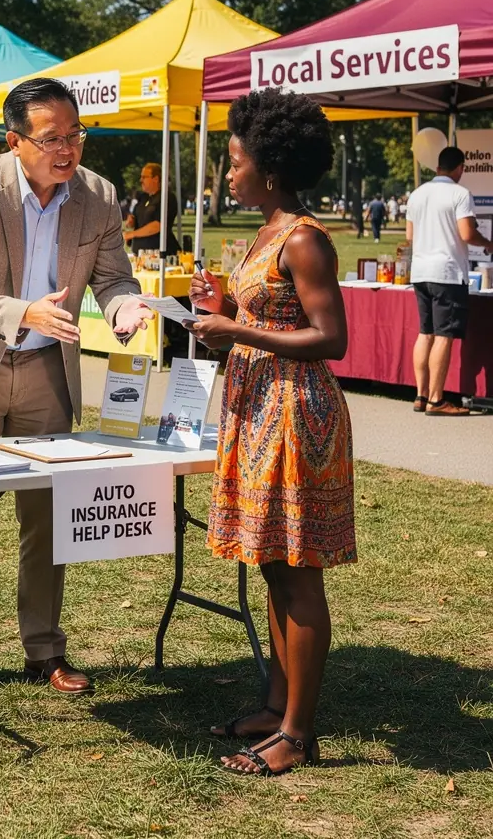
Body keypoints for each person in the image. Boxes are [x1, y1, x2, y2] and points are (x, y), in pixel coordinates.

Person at [0, 77, 155, 705]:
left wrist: (124, 307)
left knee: (47, 518)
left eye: (75, 135)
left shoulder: (99, 196)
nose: (67, 149)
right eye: (51, 139)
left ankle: (44, 648)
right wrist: (23, 313)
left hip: (47, 374)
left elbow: (114, 278)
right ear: (14, 141)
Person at [187, 88, 354, 777]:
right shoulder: (265, 232)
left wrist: (236, 327)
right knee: (272, 565)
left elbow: (331, 338)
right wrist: (223, 310)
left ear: (272, 170)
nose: (228, 174)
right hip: (260, 409)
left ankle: (297, 734)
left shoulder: (304, 239)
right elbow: (272, 318)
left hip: (296, 415)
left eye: (235, 162)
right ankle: (277, 704)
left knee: (298, 574)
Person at [406, 145, 493, 416]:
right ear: (460, 168)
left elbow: (410, 236)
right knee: (444, 336)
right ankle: (436, 400)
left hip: (420, 270)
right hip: (447, 273)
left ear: (437, 167)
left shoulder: (417, 194)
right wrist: (488, 243)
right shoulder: (460, 193)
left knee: (425, 333)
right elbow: (467, 233)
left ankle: (421, 395)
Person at [123, 163, 180, 255]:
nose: (141, 180)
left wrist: (132, 234)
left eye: (144, 177)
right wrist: (131, 221)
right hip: (140, 254)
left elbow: (158, 226)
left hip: (160, 254)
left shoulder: (166, 197)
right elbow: (138, 219)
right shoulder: (143, 198)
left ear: (156, 179)